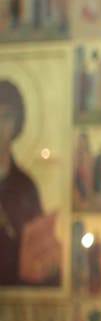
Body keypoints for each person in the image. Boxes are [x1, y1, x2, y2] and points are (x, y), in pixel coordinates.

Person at [0, 79, 61, 286]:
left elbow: (38, 250)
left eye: (6, 117)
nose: (0, 126)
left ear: (17, 123)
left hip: (20, 287)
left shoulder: (26, 186)